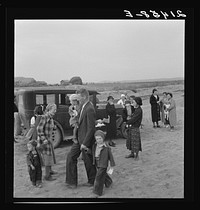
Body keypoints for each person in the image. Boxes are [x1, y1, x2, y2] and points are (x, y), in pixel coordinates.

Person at [65, 88, 97, 189]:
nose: (78, 99)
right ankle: (71, 182)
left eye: (79, 97)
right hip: (79, 139)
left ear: (84, 97)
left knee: (88, 162)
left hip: (85, 140)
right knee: (70, 157)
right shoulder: (83, 107)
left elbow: (91, 128)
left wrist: (85, 143)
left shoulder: (89, 108)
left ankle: (93, 181)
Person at [91, 130, 115, 197]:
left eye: (100, 138)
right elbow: (93, 153)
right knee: (103, 174)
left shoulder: (106, 147)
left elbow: (111, 157)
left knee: (98, 177)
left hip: (103, 164)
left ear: (103, 138)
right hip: (97, 163)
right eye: (97, 139)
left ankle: (97, 192)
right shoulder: (94, 145)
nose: (98, 140)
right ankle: (109, 182)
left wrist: (112, 165)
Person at [37, 103, 57, 181]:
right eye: (54, 110)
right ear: (49, 110)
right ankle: (47, 176)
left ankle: (50, 171)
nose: (55, 111)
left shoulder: (51, 118)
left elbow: (51, 128)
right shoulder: (45, 117)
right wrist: (44, 139)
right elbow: (39, 129)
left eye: (55, 110)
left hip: (49, 140)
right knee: (47, 156)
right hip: (44, 141)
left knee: (50, 155)